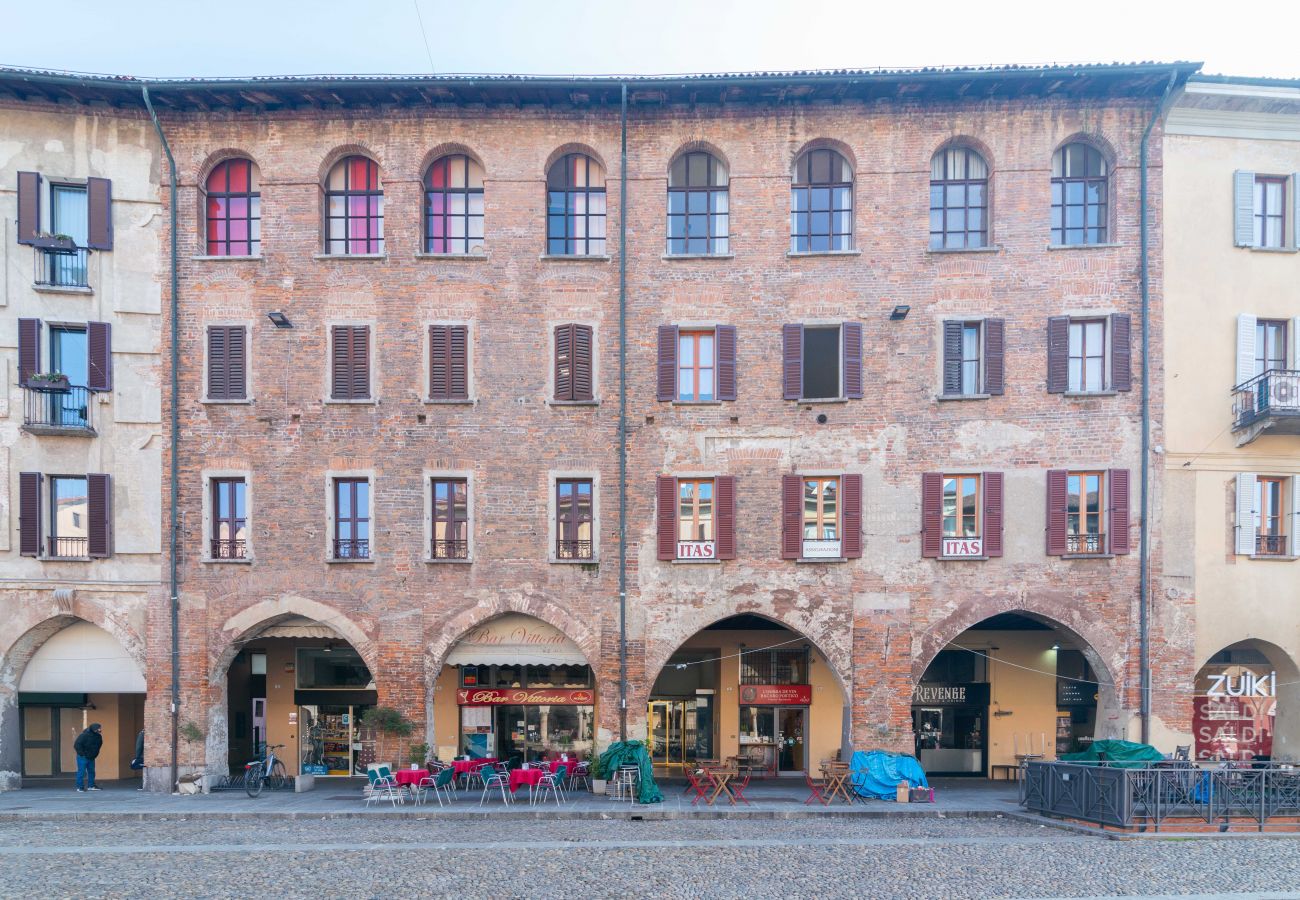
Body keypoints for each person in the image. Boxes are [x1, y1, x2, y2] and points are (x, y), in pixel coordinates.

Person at [73, 723, 104, 792]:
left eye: (100, 728)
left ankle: (91, 786)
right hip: (82, 757)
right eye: (98, 728)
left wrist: (95, 754)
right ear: (94, 729)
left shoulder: (98, 736)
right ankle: (80, 787)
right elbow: (77, 745)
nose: (100, 729)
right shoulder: (84, 735)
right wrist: (82, 754)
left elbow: (99, 745)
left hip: (91, 757)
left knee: (91, 772)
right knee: (81, 772)